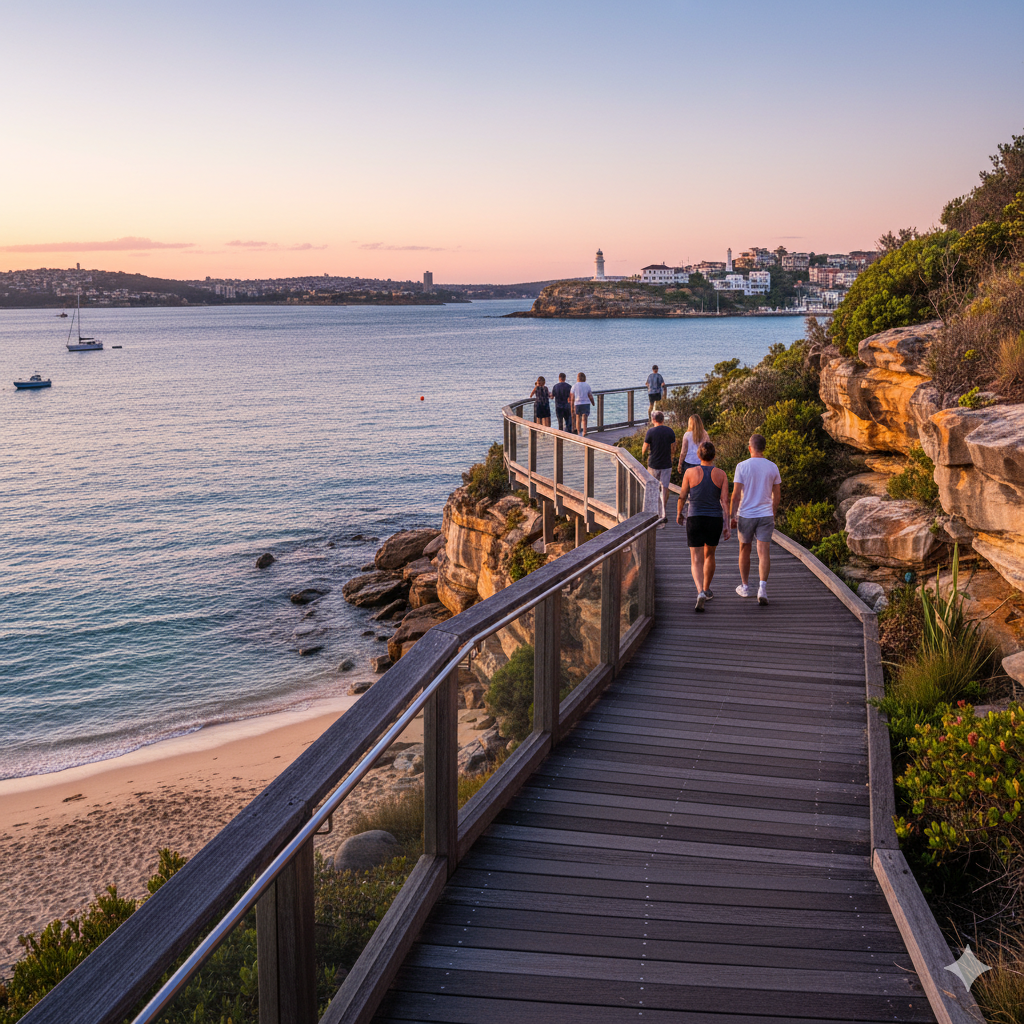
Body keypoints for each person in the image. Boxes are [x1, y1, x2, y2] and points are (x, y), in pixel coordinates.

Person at [676, 440, 731, 612]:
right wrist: (727, 524)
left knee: (696, 559)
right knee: (710, 556)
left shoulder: (689, 472)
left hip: (695, 518)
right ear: (714, 456)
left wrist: (679, 514)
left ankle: (699, 591)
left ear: (698, 455)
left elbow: (682, 496)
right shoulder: (721, 474)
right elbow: (724, 500)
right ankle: (706, 590)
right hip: (714, 519)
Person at [730, 433, 782, 606]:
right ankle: (762, 588)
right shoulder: (772, 467)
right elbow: (777, 495)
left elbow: (736, 495)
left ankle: (745, 587)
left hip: (746, 514)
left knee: (744, 549)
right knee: (763, 552)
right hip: (765, 514)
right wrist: (773, 512)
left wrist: (732, 515)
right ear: (764, 448)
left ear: (750, 448)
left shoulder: (742, 466)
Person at [641, 411, 677, 523]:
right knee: (665, 487)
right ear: (663, 419)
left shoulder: (650, 432)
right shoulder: (670, 431)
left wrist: (643, 456)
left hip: (654, 464)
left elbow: (644, 448)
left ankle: (654, 511)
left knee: (653, 487)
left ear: (653, 420)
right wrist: (671, 456)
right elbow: (674, 447)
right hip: (666, 463)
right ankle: (663, 512)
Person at [676, 413, 710, 520]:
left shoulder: (687, 435)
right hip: (701, 463)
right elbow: (709, 448)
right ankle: (701, 510)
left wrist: (680, 464)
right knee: (701, 487)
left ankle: (688, 511)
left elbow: (683, 451)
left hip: (689, 463)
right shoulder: (704, 434)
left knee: (687, 489)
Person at [570, 372, 596, 436]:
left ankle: (579, 432)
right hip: (586, 403)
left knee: (578, 417)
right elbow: (590, 396)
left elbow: (572, 397)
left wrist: (572, 405)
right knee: (584, 417)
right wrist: (593, 403)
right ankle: (585, 431)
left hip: (577, 403)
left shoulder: (574, 386)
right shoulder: (587, 385)